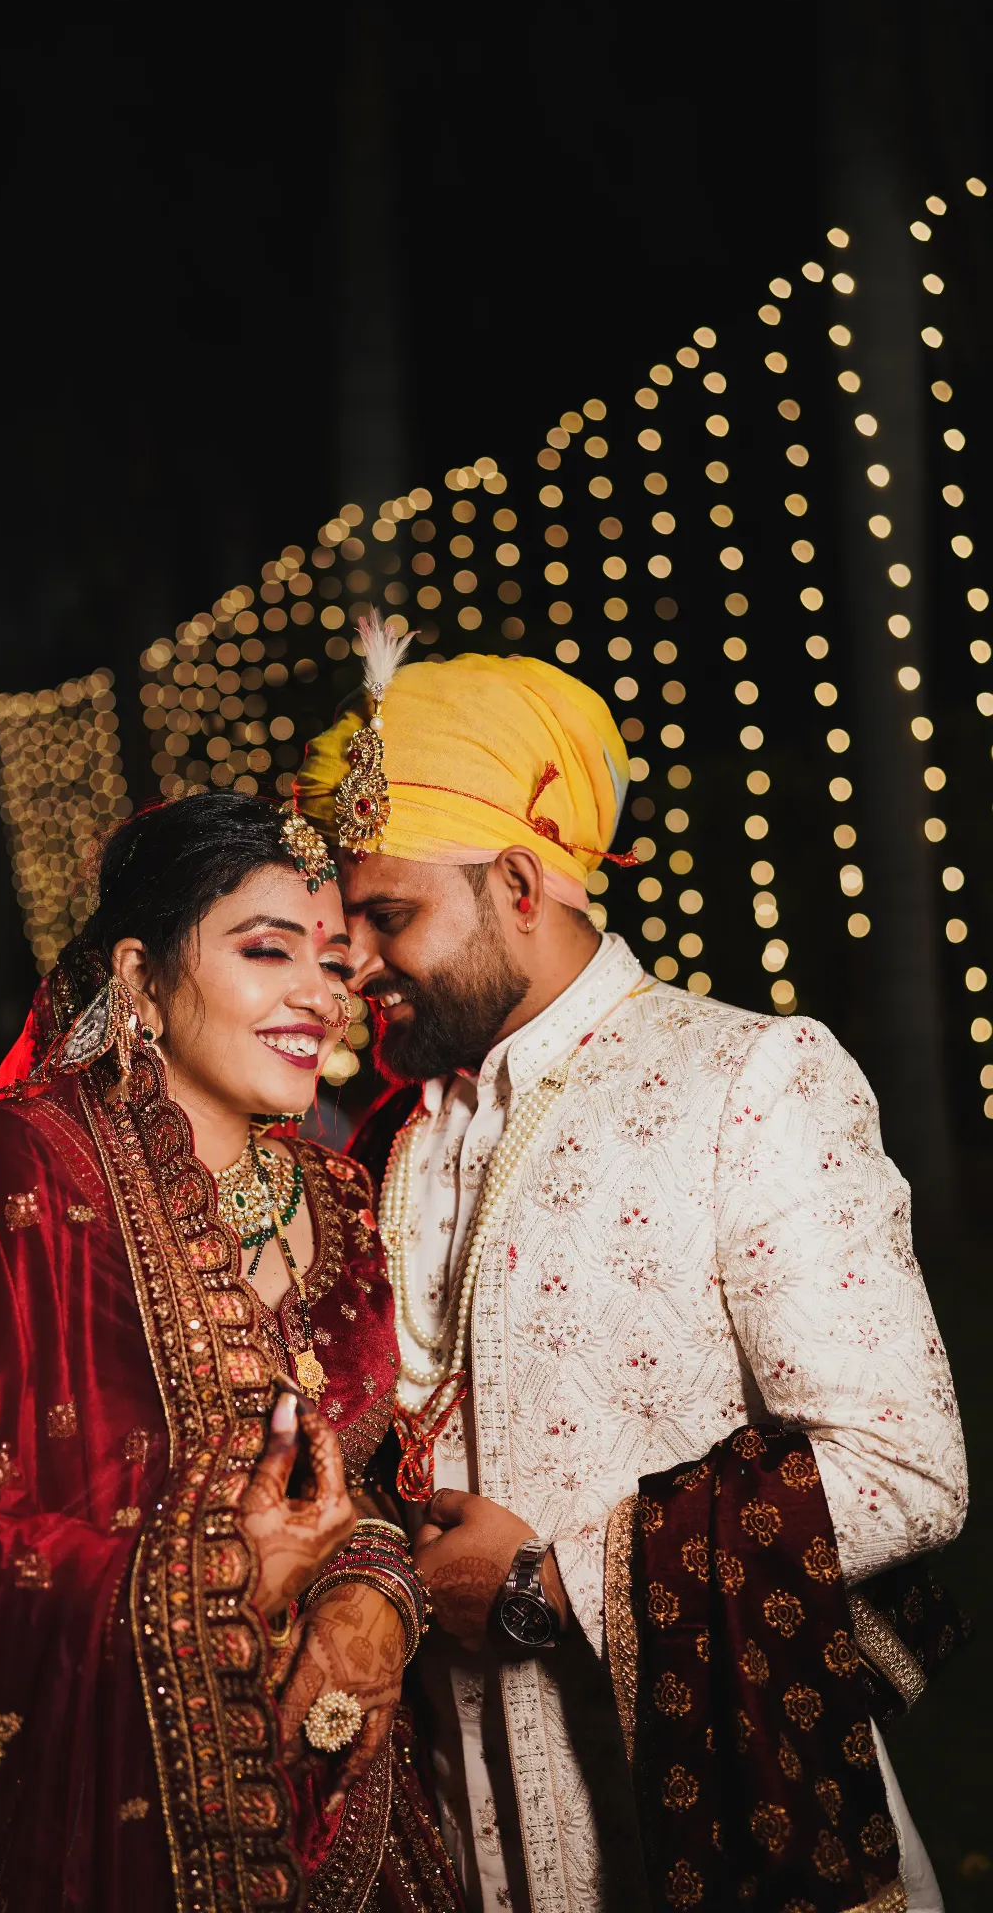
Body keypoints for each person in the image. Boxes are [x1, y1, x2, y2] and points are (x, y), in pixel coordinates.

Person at [295, 624, 968, 1913]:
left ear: (516, 885)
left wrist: (548, 1587)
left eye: (389, 917)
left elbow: (903, 1470)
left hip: (712, 1819)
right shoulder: (388, 1141)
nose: (356, 963)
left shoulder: (747, 1080)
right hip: (448, 1834)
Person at [0, 792, 460, 1913]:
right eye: (267, 951)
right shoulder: (17, 1171)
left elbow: (377, 1478)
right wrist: (219, 1579)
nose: (321, 995)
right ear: (138, 976)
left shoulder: (344, 1199)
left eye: (330, 961)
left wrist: (373, 1592)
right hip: (101, 1818)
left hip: (344, 1805)